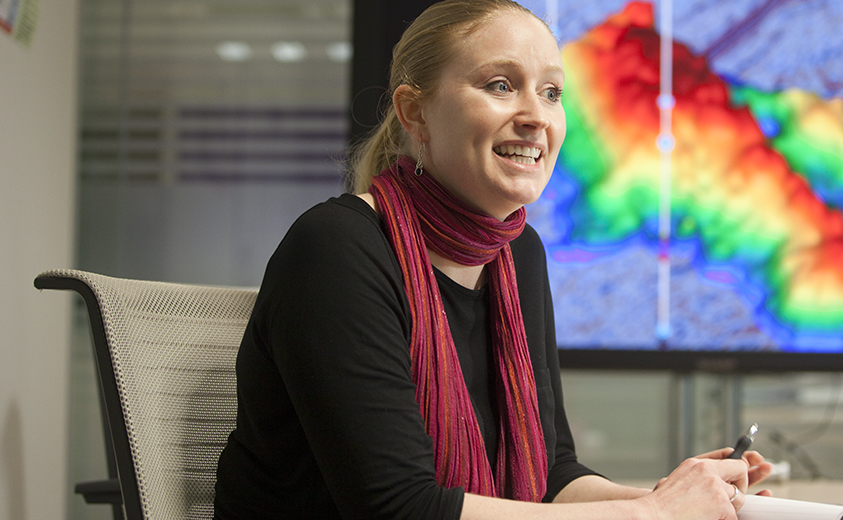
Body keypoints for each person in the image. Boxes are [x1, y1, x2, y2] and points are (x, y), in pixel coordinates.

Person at [213, 1, 771, 518]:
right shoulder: (336, 247)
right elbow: (398, 507)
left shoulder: (518, 254)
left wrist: (679, 497)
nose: (536, 117)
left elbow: (551, 475)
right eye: (501, 86)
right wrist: (649, 515)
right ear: (416, 113)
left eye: (552, 93)